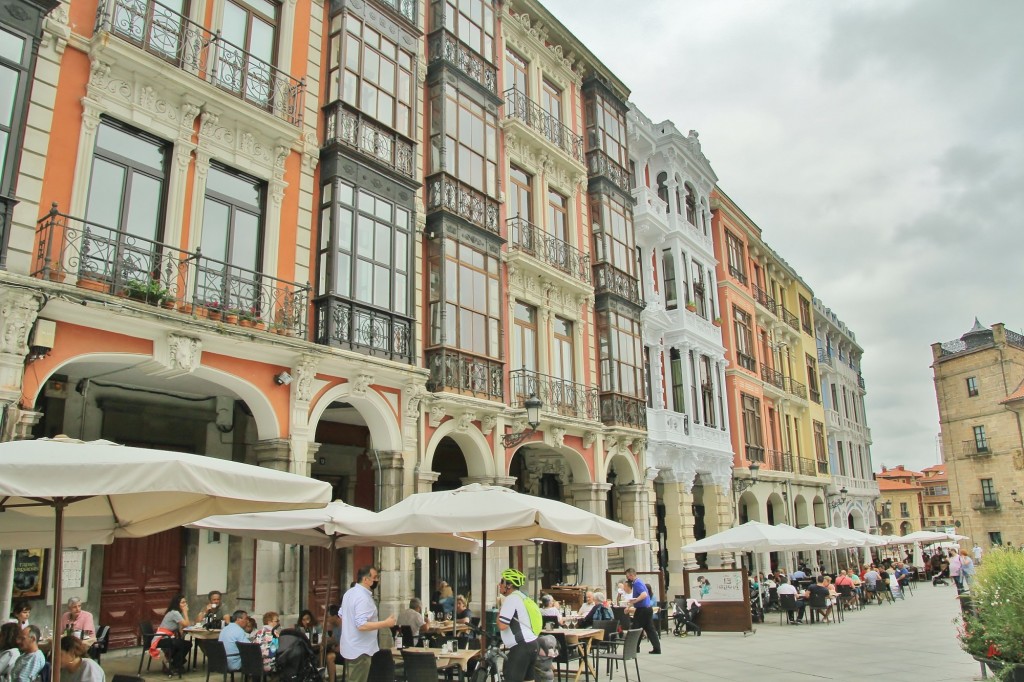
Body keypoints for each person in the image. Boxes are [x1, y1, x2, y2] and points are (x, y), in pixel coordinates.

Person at [340, 566, 395, 682]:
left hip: (350, 646)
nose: (377, 580)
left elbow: (341, 614)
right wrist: (385, 623)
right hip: (360, 650)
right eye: (375, 577)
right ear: (365, 579)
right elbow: (361, 625)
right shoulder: (363, 598)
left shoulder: (349, 593)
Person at [496, 568, 539, 682]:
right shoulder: (522, 596)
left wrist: (498, 612)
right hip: (532, 644)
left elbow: (502, 625)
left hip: (521, 647)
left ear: (509, 585)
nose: (499, 584)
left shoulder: (511, 599)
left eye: (502, 581)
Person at [150, 594, 191, 674]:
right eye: (182, 603)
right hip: (163, 638)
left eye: (185, 602)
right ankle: (174, 663)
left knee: (187, 644)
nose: (185, 604)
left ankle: (173, 663)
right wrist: (185, 612)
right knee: (181, 644)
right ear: (177, 603)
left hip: (168, 637)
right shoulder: (174, 613)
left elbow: (182, 626)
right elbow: (186, 624)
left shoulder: (176, 613)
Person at [624, 568, 661, 655]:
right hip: (647, 609)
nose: (627, 578)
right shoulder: (638, 582)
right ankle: (657, 648)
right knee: (649, 629)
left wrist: (635, 601)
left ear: (631, 575)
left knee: (636, 628)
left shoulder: (637, 583)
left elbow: (644, 594)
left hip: (642, 610)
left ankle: (635, 648)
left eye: (627, 576)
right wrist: (629, 606)